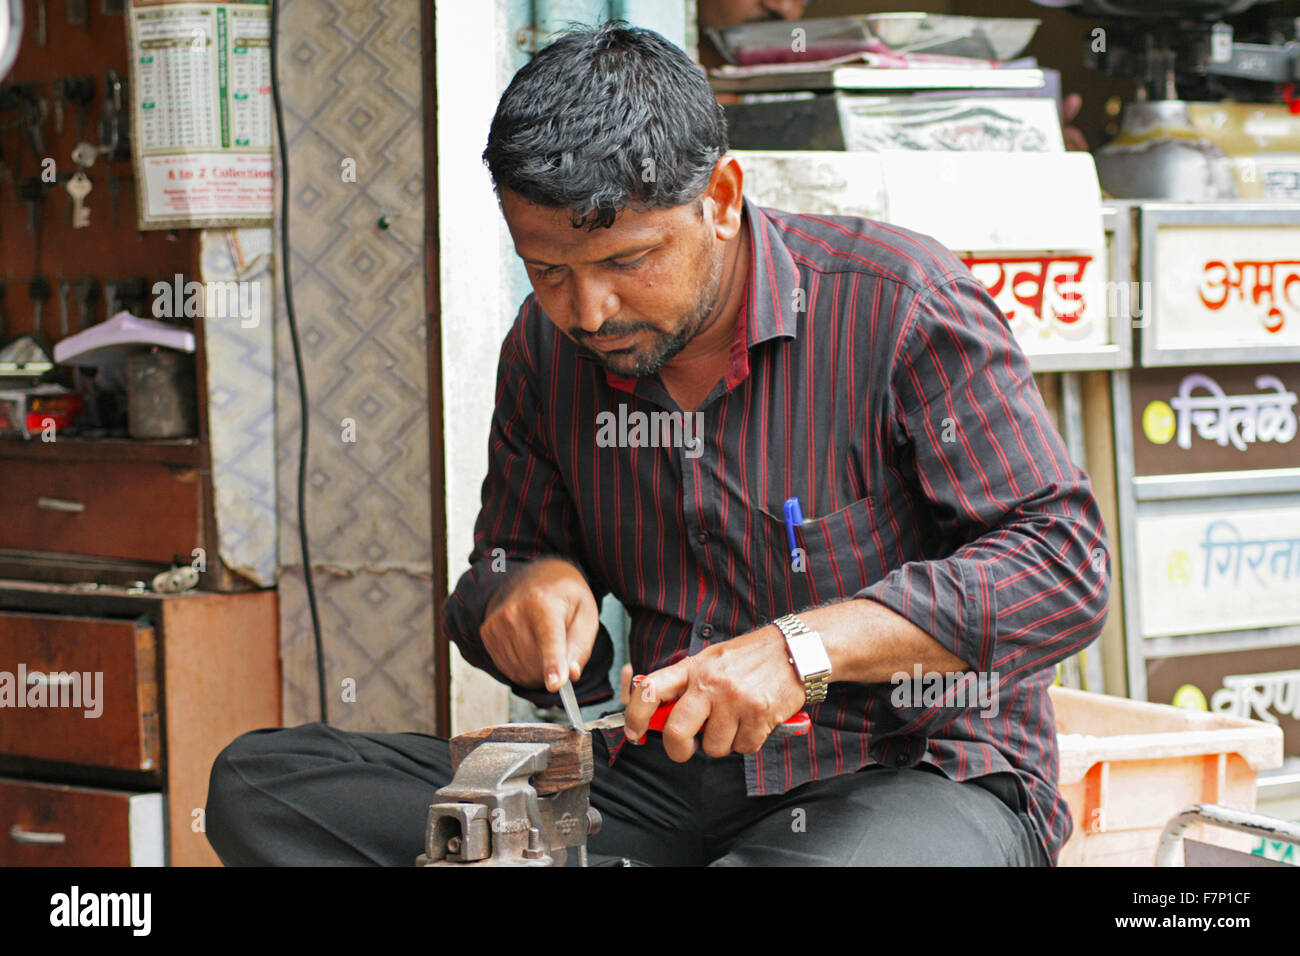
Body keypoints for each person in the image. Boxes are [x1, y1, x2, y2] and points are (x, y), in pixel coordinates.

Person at [205, 21, 1110, 867]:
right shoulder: (546, 350)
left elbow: (1062, 565)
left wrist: (804, 652)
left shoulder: (897, 302)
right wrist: (522, 592)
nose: (587, 310)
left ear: (720, 197)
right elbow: (501, 563)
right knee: (262, 788)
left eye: (627, 263)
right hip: (668, 781)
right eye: (547, 268)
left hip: (914, 772)